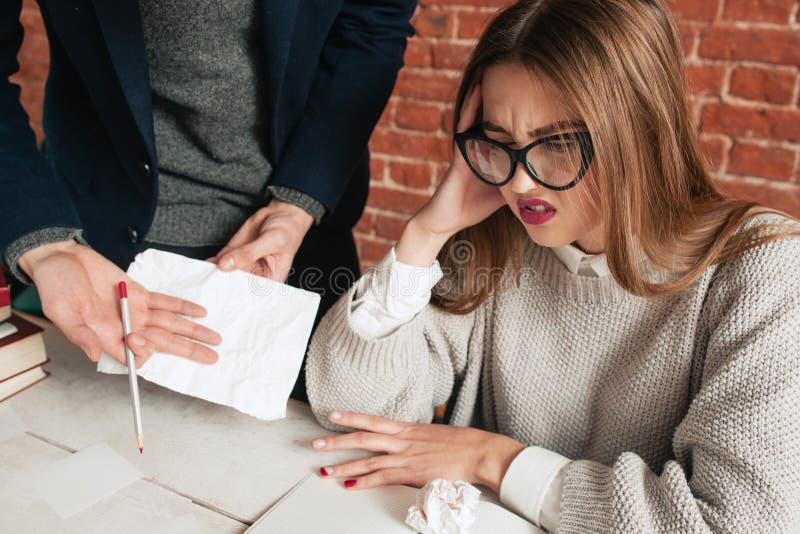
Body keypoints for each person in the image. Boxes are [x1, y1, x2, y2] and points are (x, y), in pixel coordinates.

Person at [304, 0, 800, 531]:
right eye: (499, 143)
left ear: (642, 130)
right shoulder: (498, 240)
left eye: (560, 143)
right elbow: (352, 410)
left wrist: (494, 460)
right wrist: (425, 235)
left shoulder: (762, 270)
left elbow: (741, 522)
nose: (519, 182)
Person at [0, 0, 416, 399]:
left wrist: (298, 202)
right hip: (92, 247)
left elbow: (372, 26)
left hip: (292, 243)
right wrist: (44, 243)